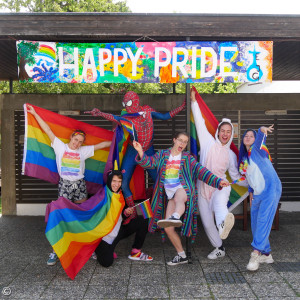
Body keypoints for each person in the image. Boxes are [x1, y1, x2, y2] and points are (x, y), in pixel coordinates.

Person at [27, 105, 112, 265]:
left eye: (80, 142)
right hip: (64, 186)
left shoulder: (84, 151)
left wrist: (116, 140)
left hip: (80, 186)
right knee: (61, 217)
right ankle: (55, 251)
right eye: (75, 140)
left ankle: (86, 248)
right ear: (71, 138)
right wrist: (34, 113)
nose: (77, 144)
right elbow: (47, 130)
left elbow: (102, 145)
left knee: (81, 216)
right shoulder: (60, 146)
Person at [86, 91, 186, 224]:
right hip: (133, 151)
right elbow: (115, 117)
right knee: (123, 182)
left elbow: (165, 116)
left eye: (128, 103)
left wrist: (182, 106)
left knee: (160, 181)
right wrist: (99, 113)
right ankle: (132, 213)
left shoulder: (148, 111)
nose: (126, 106)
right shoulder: (127, 117)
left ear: (136, 101)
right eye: (124, 103)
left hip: (148, 151)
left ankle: (161, 213)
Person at [133, 132, 229, 266]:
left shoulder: (188, 158)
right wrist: (140, 151)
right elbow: (149, 163)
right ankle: (181, 255)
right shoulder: (162, 155)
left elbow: (202, 171)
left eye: (185, 142)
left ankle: (176, 216)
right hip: (169, 193)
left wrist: (218, 181)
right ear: (174, 140)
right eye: (180, 141)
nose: (182, 144)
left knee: (179, 198)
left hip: (183, 189)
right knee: (167, 228)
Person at [190, 89, 248, 260]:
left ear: (231, 135)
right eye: (223, 130)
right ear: (218, 132)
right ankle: (219, 247)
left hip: (221, 186)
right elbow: (200, 121)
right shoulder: (207, 141)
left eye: (228, 132)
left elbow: (235, 176)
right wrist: (194, 101)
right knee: (207, 223)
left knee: (219, 204)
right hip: (202, 187)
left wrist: (251, 184)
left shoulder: (231, 154)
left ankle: (223, 223)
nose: (225, 134)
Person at [238, 125, 282, 271]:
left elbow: (261, 134)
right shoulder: (245, 158)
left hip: (271, 189)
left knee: (263, 220)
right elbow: (250, 176)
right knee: (256, 223)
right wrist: (250, 190)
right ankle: (267, 254)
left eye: (252, 135)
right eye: (246, 135)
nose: (248, 137)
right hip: (257, 192)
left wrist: (262, 129)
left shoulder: (257, 149)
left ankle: (255, 255)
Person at [95, 170, 153, 267]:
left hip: (117, 232)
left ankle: (136, 251)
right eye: (114, 181)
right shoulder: (101, 196)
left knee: (143, 219)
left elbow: (121, 214)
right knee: (107, 263)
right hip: (104, 237)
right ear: (109, 181)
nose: (117, 184)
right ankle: (97, 249)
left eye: (119, 181)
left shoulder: (120, 195)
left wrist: (126, 212)